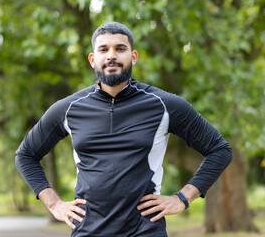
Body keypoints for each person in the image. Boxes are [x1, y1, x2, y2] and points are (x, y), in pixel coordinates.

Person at [15, 22, 232, 237]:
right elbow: (25, 154)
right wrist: (54, 204)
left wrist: (182, 199)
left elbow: (219, 150)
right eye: (103, 49)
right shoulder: (69, 108)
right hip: (87, 230)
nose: (111, 56)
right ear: (93, 59)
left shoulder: (165, 105)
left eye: (120, 49)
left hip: (145, 231)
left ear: (133, 57)